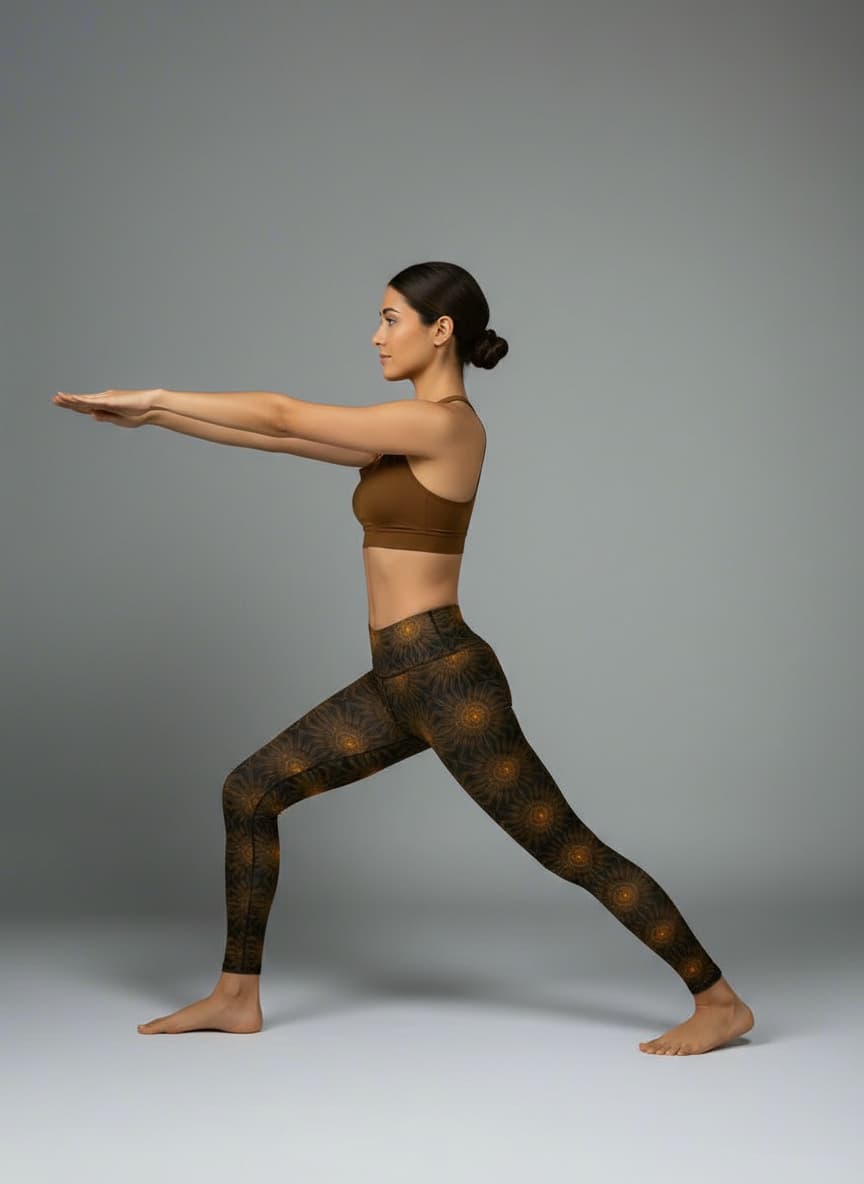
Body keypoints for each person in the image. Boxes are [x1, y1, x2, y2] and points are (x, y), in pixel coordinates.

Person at [53, 260, 754, 1054]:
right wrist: (157, 423)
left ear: (440, 329)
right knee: (250, 793)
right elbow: (277, 441)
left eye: (391, 318)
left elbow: (283, 414)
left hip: (449, 678)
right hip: (396, 679)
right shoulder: (395, 437)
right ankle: (234, 995)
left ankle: (718, 1001)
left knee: (568, 849)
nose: (377, 334)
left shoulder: (446, 425)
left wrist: (156, 394)